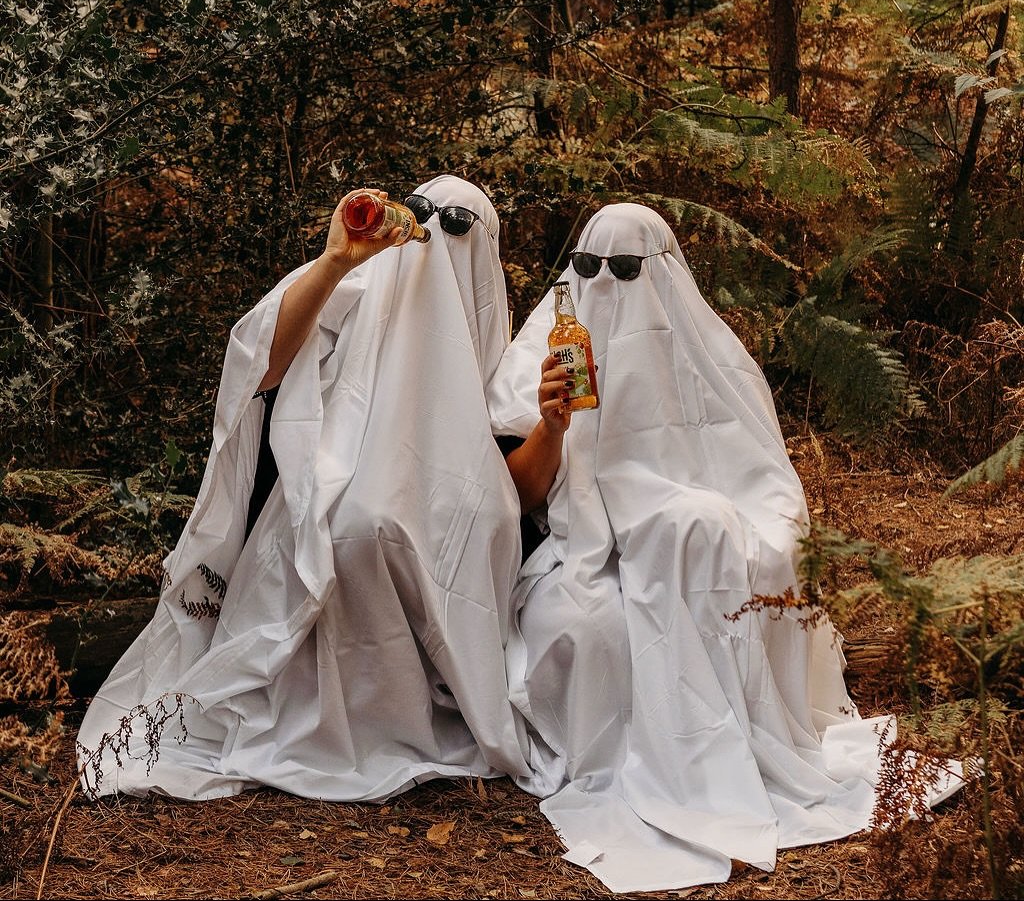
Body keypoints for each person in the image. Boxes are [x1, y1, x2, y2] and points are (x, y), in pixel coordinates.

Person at [486, 201, 965, 895]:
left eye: (627, 269)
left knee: (700, 529)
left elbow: (769, 484)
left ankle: (717, 763)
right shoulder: (543, 351)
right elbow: (516, 495)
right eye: (590, 266)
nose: (607, 284)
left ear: (662, 271)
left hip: (699, 567)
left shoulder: (711, 358)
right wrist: (552, 426)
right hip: (577, 556)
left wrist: (749, 548)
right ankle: (643, 771)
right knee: (588, 631)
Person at [77, 175, 556, 802]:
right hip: (318, 522)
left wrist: (548, 430)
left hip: (451, 543)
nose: (439, 240)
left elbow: (514, 479)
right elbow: (259, 365)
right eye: (424, 216)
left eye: (459, 228)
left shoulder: (495, 348)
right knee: (362, 529)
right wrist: (334, 262)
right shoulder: (355, 289)